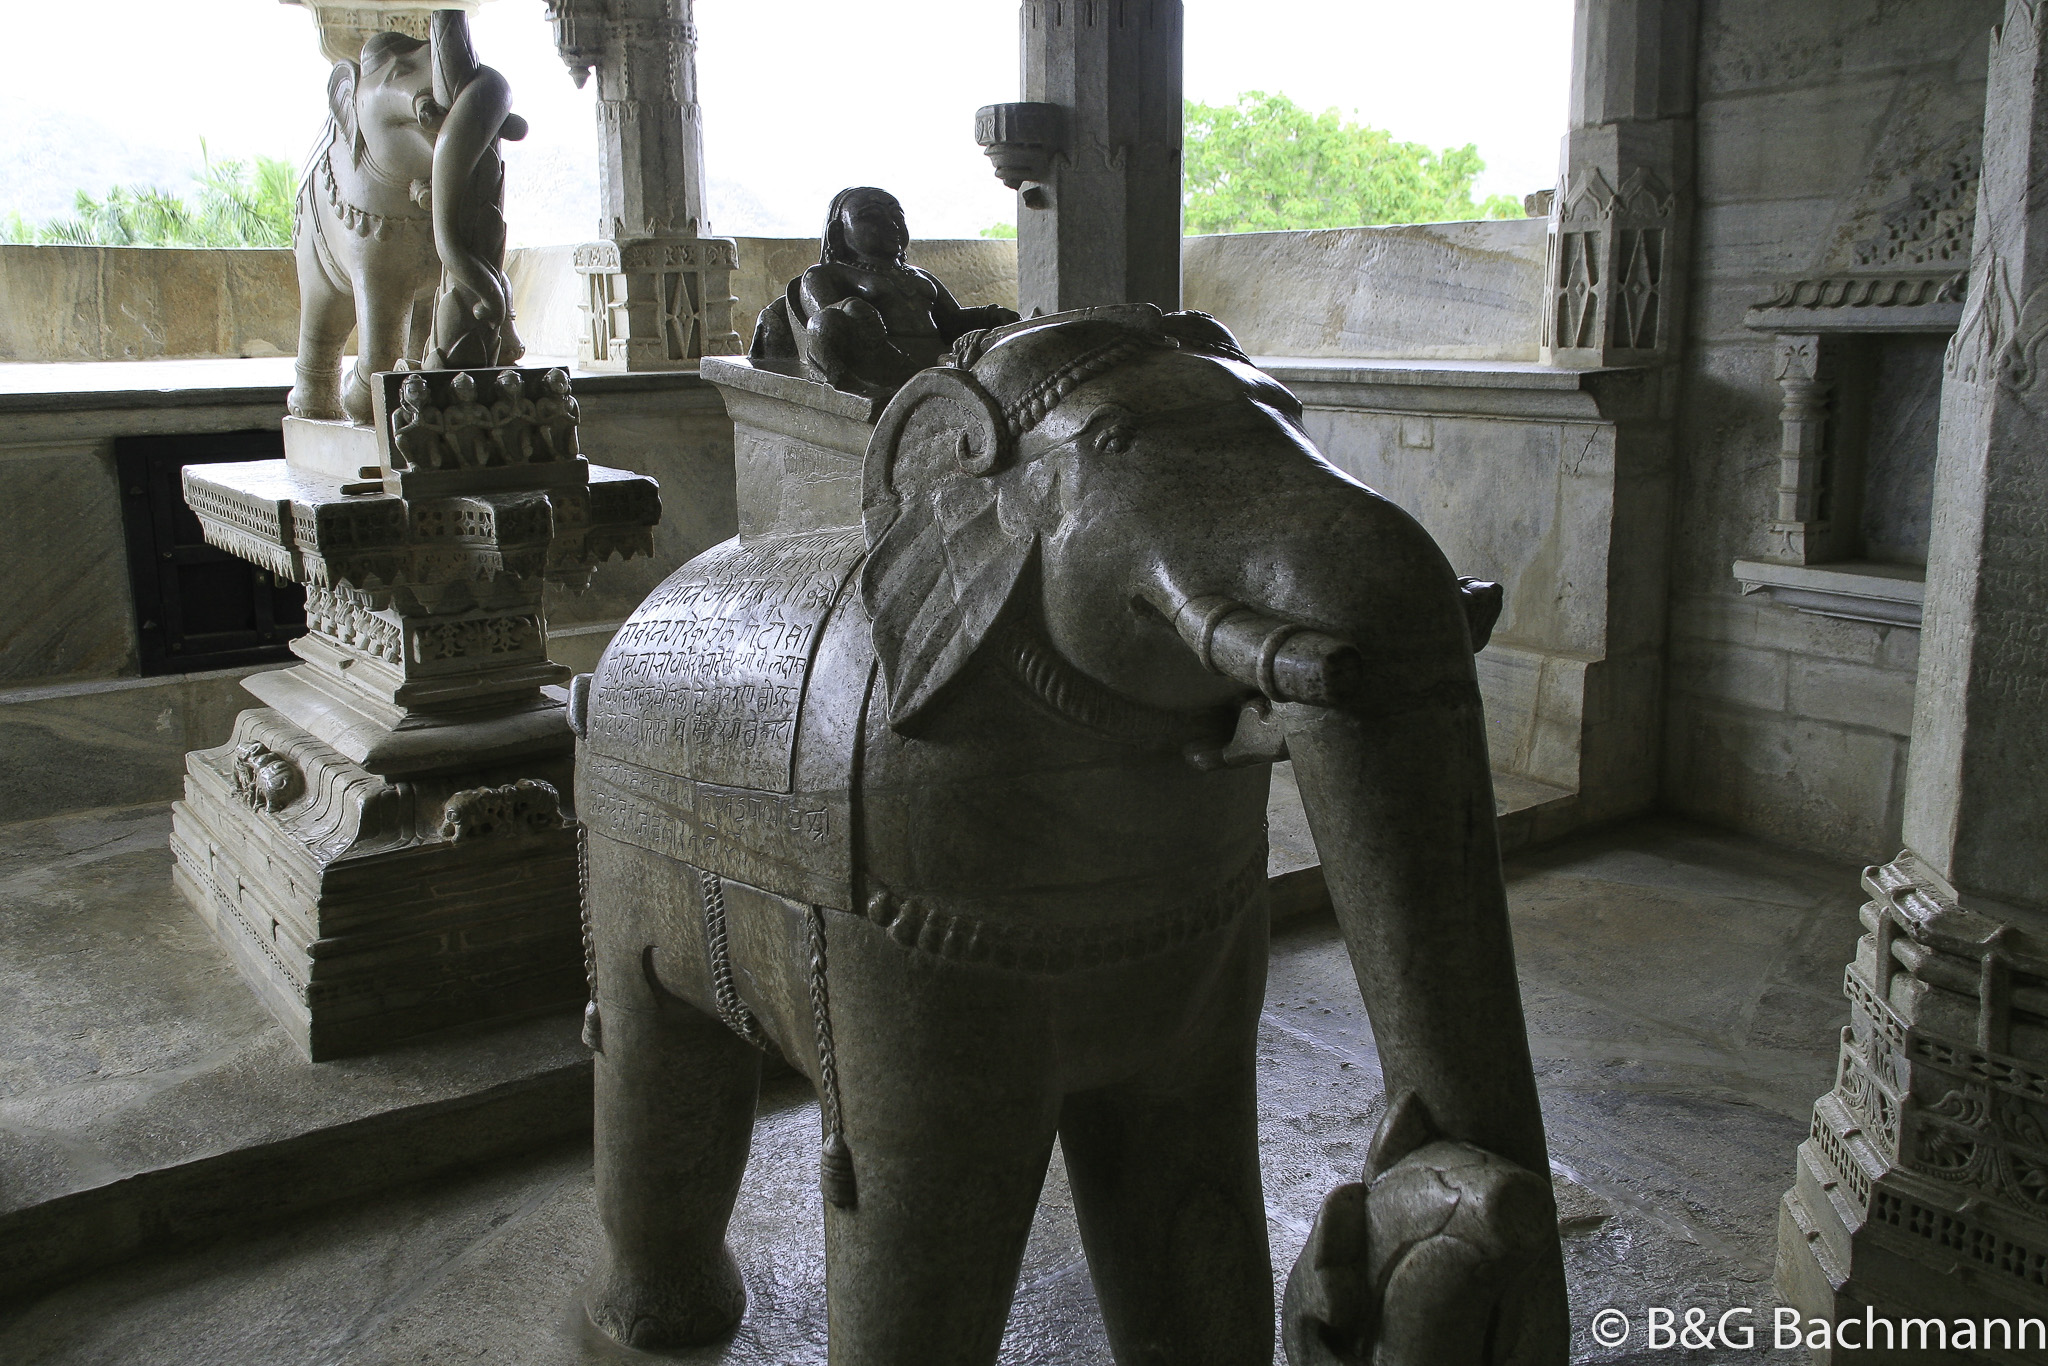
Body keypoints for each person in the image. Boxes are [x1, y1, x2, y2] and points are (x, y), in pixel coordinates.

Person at [751, 186, 1019, 396]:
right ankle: (910, 375)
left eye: (896, 216)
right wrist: (849, 307)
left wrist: (990, 316)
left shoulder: (919, 275)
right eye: (872, 218)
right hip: (878, 359)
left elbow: (952, 320)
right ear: (837, 233)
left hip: (939, 353)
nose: (890, 225)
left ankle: (940, 367)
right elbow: (821, 319)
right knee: (827, 322)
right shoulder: (826, 274)